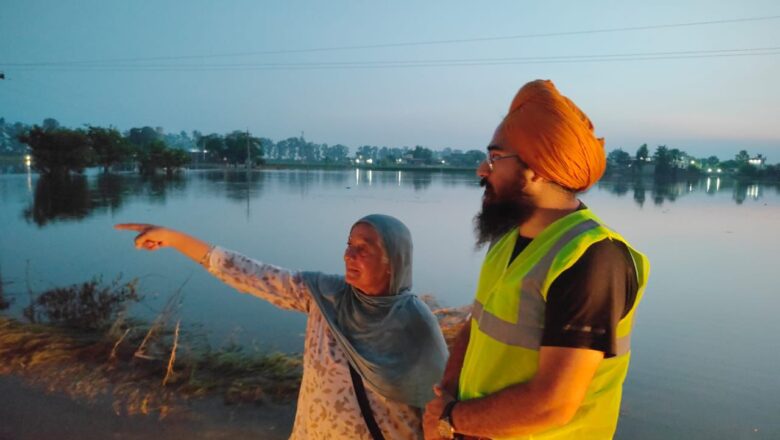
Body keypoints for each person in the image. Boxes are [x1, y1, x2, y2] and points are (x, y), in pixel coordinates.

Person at [423, 80, 650, 440]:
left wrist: (452, 419)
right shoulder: (510, 238)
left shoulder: (592, 259)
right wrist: (447, 397)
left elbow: (553, 403)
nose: (482, 170)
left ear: (537, 169)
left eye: (496, 158)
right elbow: (476, 326)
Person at [116, 214, 448, 440]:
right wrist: (175, 238)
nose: (349, 255)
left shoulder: (416, 325)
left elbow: (439, 407)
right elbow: (249, 273)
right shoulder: (324, 297)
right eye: (349, 245)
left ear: (395, 260)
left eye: (363, 249)